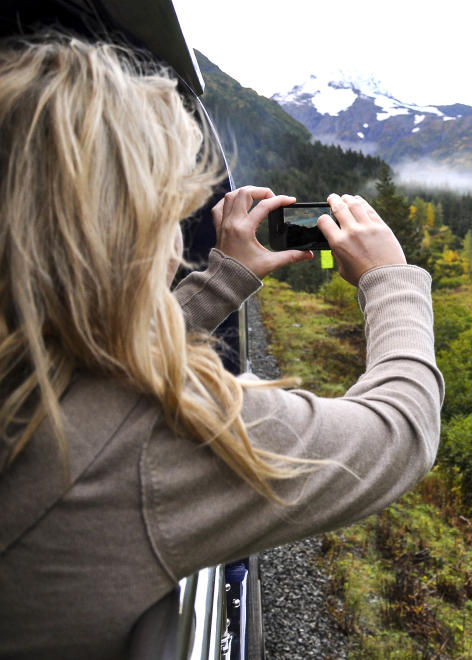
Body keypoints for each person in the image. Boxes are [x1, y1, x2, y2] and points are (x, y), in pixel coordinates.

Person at [0, 34, 443, 658]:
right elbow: (398, 433)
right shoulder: (154, 441)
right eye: (166, 207)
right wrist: (390, 280)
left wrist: (222, 278)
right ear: (115, 229)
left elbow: (86, 353)